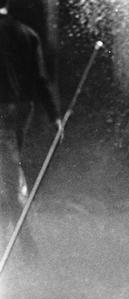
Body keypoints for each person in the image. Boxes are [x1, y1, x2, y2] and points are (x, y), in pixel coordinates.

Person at [0, 0, 61, 254]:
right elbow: (40, 79)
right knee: (11, 169)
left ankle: (24, 244)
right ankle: (23, 242)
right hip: (21, 109)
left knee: (9, 175)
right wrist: (54, 116)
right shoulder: (27, 34)